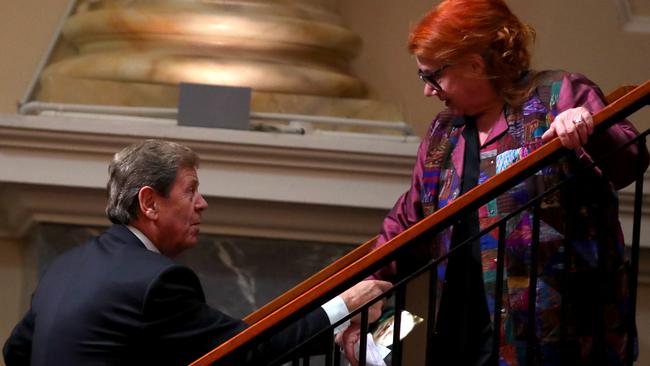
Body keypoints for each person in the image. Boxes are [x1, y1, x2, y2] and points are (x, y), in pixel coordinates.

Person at [337, 1, 649, 365]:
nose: (428, 90)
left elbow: (628, 163)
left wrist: (587, 125)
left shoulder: (558, 95)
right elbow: (410, 221)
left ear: (475, 63)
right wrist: (357, 299)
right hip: (462, 330)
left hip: (555, 335)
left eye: (432, 75)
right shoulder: (444, 131)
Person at [3, 139, 391, 366]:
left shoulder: (66, 266)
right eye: (190, 190)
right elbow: (249, 349)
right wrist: (345, 304)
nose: (202, 203)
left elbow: (16, 350)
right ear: (150, 203)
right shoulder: (156, 281)